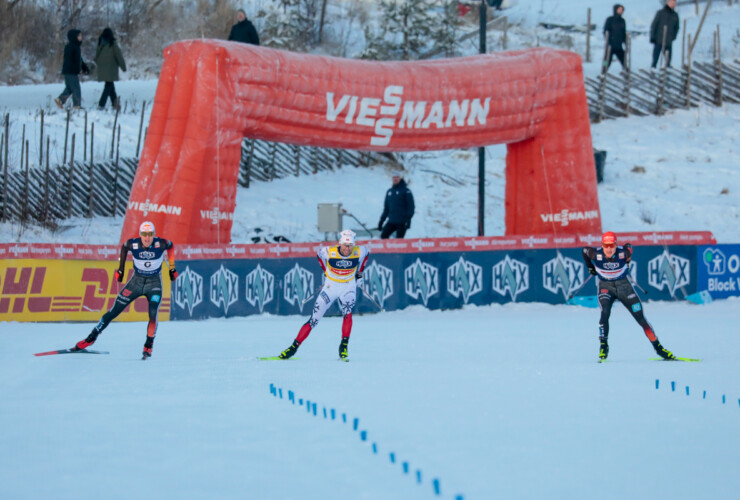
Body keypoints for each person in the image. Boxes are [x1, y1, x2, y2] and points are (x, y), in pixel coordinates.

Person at [72, 221, 178, 360]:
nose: (147, 238)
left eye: (150, 234)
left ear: (153, 235)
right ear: (140, 235)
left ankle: (148, 345)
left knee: (153, 313)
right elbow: (123, 248)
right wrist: (121, 269)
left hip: (154, 284)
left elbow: (171, 247)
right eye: (144, 235)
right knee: (114, 311)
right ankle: (91, 338)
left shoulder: (161, 243)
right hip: (136, 282)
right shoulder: (134, 244)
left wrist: (172, 267)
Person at [582, 231, 675, 362]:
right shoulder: (596, 254)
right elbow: (584, 250)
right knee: (605, 312)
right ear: (602, 245)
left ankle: (659, 348)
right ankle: (603, 346)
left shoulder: (623, 253)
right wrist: (590, 267)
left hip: (624, 286)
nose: (609, 249)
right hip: (606, 286)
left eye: (611, 246)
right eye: (606, 246)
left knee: (641, 318)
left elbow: (629, 246)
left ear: (616, 245)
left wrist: (627, 261)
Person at [277, 229, 369, 361]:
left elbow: (366, 255)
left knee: (347, 313)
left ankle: (343, 347)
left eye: (350, 246)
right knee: (314, 319)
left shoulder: (359, 251)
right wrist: (326, 272)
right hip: (330, 288)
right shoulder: (329, 251)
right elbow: (319, 256)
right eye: (345, 245)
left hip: (348, 287)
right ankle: (293, 348)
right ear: (340, 243)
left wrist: (359, 273)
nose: (347, 249)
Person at [54, 29, 90, 110]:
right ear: (74, 37)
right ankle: (77, 105)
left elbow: (79, 60)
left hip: (69, 71)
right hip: (71, 71)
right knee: (76, 88)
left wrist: (84, 68)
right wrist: (77, 69)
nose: (81, 37)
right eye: (79, 36)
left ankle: (60, 100)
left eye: (81, 36)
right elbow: (73, 60)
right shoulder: (72, 47)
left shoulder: (74, 46)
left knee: (70, 88)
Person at [95, 27, 127, 111]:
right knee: (108, 86)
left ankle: (115, 104)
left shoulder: (100, 43)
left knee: (110, 85)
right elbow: (119, 56)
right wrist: (123, 67)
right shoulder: (112, 44)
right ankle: (101, 104)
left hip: (102, 68)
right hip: (111, 69)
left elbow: (96, 57)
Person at [377, 171, 415, 239]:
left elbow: (411, 207)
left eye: (397, 177)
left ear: (400, 178)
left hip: (402, 222)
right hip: (391, 221)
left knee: (399, 241)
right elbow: (386, 208)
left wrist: (408, 220)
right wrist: (381, 220)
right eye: (394, 177)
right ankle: (386, 250)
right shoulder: (389, 192)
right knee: (383, 237)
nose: (395, 179)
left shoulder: (406, 191)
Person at [650, 0, 679, 69]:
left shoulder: (675, 15)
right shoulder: (660, 13)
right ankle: (653, 69)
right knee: (655, 57)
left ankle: (667, 71)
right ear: (667, 2)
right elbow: (654, 25)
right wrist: (653, 37)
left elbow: (676, 27)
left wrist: (673, 36)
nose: (673, 4)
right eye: (671, 2)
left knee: (668, 59)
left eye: (674, 3)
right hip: (659, 39)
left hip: (668, 41)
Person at [603, 4, 627, 71]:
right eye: (619, 9)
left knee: (623, 59)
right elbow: (605, 31)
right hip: (610, 45)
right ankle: (603, 70)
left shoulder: (622, 21)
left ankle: (626, 71)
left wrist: (625, 41)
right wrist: (608, 40)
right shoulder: (610, 19)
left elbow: (624, 32)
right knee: (606, 60)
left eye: (622, 10)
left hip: (619, 45)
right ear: (615, 10)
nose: (620, 11)